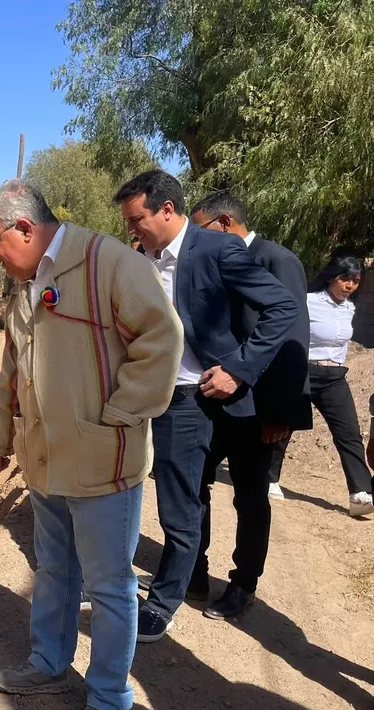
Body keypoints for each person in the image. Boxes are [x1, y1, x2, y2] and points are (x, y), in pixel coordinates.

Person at [0, 178, 182, 710]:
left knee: (111, 586)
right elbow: (10, 372)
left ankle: (108, 701)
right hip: (45, 461)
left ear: (24, 227)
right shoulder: (24, 286)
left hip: (102, 461)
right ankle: (47, 664)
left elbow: (161, 340)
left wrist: (120, 413)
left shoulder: (109, 262)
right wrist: (0, 437)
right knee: (54, 569)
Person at [113, 170, 296, 642]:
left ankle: (193, 595)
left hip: (225, 398)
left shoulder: (217, 249)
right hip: (169, 401)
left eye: (137, 219)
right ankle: (185, 583)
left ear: (167, 211)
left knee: (234, 498)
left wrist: (239, 367)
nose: (132, 230)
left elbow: (283, 309)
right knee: (182, 502)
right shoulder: (140, 259)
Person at [187, 191, 311, 619]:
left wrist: (282, 413)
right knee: (193, 485)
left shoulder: (276, 259)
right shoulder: (215, 261)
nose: (192, 239)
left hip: (259, 409)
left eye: (198, 230)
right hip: (213, 401)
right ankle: (194, 573)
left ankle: (243, 584)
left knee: (250, 496)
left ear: (223, 223)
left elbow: (295, 341)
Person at [269, 257, 374, 516]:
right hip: (303, 371)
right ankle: (269, 479)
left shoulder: (350, 309)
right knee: (284, 427)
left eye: (355, 281)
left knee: (349, 432)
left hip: (335, 377)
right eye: (345, 279)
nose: (350, 286)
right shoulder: (307, 302)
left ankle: (360, 493)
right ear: (331, 278)